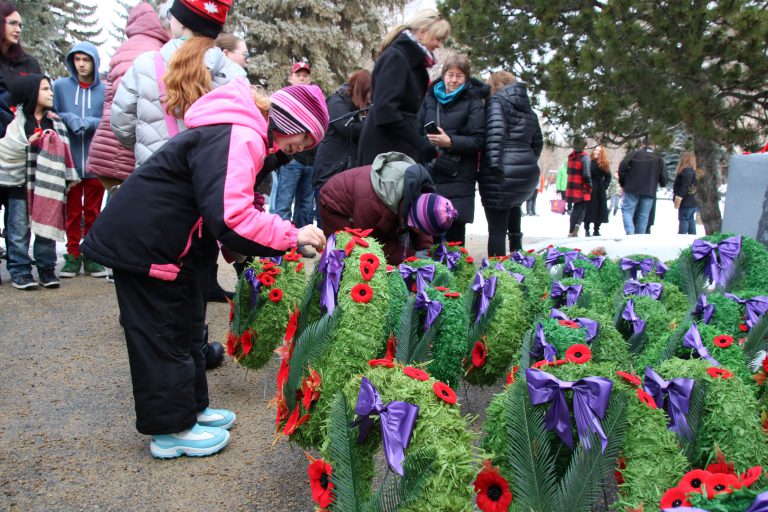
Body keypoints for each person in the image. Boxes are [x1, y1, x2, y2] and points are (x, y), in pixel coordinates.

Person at [81, 79, 328, 459]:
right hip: (148, 243)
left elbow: (220, 204)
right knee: (162, 334)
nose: (303, 149)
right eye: (305, 138)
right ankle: (170, 430)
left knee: (185, 327)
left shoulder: (244, 134)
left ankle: (191, 410)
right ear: (289, 120)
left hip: (170, 244)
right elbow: (231, 216)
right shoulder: (241, 135)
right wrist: (290, 234)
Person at [111, 0, 245, 300]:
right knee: (196, 264)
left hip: (153, 187)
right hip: (204, 192)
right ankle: (193, 335)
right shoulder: (233, 77)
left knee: (155, 261)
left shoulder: (146, 65)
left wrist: (147, 146)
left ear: (178, 22)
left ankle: (148, 322)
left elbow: (120, 123)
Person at [0, 75, 78, 289]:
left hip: (48, 184)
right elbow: (6, 148)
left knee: (46, 227)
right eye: (45, 89)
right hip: (19, 183)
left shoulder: (55, 122)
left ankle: (46, 269)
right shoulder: (16, 121)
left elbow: (65, 151)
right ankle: (20, 270)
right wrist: (27, 142)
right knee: (18, 229)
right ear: (31, 92)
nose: (51, 93)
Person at [87, 1, 170, 195]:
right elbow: (128, 105)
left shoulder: (127, 47)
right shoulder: (149, 52)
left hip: (108, 144)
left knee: (115, 210)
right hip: (122, 151)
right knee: (123, 216)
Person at [319, 152, 457, 264]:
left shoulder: (420, 195)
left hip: (367, 200)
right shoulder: (374, 206)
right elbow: (372, 243)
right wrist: (412, 256)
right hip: (335, 203)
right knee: (351, 256)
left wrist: (425, 250)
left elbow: (423, 225)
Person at [357, 9, 449, 166]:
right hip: (384, 150)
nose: (439, 45)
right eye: (438, 38)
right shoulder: (397, 58)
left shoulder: (410, 60)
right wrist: (419, 143)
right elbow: (386, 111)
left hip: (396, 148)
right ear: (422, 32)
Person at [416, 52, 487, 245]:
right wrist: (428, 142)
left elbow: (479, 140)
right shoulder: (430, 98)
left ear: (466, 78)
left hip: (459, 176)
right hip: (432, 171)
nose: (453, 80)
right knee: (429, 233)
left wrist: (451, 142)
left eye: (459, 76)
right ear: (444, 74)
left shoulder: (473, 101)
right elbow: (416, 131)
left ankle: (456, 274)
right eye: (450, 75)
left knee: (454, 237)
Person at [52, 42, 108, 279]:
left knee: (93, 211)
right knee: (73, 211)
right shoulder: (61, 87)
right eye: (77, 59)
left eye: (86, 59)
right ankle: (73, 254)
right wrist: (68, 117)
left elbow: (109, 116)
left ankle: (92, 256)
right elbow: (51, 113)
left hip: (95, 160)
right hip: (70, 161)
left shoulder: (104, 89)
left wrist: (91, 123)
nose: (82, 64)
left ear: (95, 62)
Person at [478, 71, 543, 256]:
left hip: (501, 173)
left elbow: (494, 139)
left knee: (497, 229)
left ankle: (497, 276)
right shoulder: (528, 109)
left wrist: (495, 168)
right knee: (514, 211)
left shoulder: (496, 102)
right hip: (525, 173)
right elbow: (538, 142)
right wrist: (526, 162)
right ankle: (518, 260)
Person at [0, 1, 41, 265]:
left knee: (17, 208)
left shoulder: (28, 62)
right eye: (12, 23)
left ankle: (18, 263)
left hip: (21, 146)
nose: (18, 29)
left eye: (20, 24)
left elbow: (37, 98)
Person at [273, 61, 320, 258]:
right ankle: (280, 243)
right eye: (298, 74)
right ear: (291, 78)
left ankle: (300, 242)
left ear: (309, 79)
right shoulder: (285, 100)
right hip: (290, 160)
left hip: (311, 161)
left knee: (306, 206)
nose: (302, 77)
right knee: (284, 202)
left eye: (305, 75)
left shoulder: (315, 103)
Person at [313, 69, 371, 190]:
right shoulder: (336, 102)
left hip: (347, 172)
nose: (372, 96)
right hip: (330, 172)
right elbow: (347, 128)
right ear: (362, 90)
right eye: (370, 91)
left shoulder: (362, 107)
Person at [619, 138, 666, 235]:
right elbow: (664, 176)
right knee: (644, 215)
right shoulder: (658, 158)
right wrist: (662, 183)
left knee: (627, 210)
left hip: (632, 187)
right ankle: (640, 236)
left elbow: (622, 168)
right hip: (649, 189)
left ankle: (630, 232)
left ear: (642, 144)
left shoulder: (634, 154)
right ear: (654, 145)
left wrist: (624, 183)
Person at [564, 138, 592, 237]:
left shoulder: (571, 157)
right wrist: (589, 185)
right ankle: (574, 231)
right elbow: (586, 174)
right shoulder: (585, 158)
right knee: (580, 209)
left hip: (572, 185)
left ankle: (572, 230)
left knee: (577, 208)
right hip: (581, 186)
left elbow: (568, 172)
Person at [583, 144, 611, 236]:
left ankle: (596, 229)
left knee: (599, 209)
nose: (596, 152)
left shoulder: (604, 164)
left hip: (599, 188)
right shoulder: (589, 161)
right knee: (588, 208)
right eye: (595, 150)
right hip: (590, 187)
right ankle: (587, 229)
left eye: (599, 150)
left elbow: (608, 176)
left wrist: (604, 186)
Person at [673, 151, 700, 235]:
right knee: (691, 219)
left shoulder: (686, 171)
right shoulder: (694, 171)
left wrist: (678, 198)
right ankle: (692, 237)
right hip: (693, 200)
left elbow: (684, 187)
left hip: (686, 201)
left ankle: (682, 237)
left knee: (684, 219)